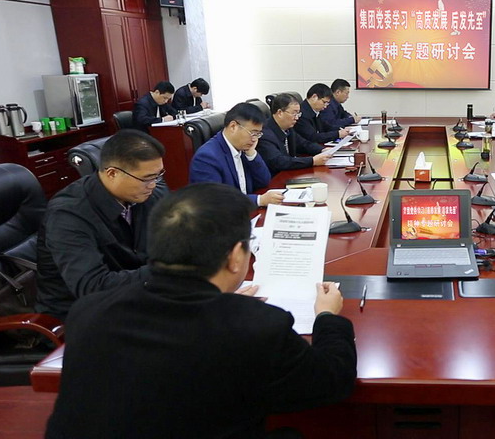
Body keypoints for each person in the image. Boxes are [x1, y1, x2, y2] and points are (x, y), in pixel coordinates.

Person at [44, 183, 357, 439]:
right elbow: (332, 381)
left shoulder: (89, 311)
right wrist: (327, 317)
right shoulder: (257, 326)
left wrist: (224, 303)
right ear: (236, 257)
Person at [35, 130, 168, 320]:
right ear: (112, 173)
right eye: (147, 178)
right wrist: (166, 272)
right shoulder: (68, 214)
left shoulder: (144, 194)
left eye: (158, 175)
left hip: (130, 296)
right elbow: (92, 286)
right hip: (82, 314)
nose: (154, 184)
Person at [189, 103, 283, 207]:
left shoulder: (243, 147)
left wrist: (251, 154)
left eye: (258, 134)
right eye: (252, 133)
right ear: (233, 126)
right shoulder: (206, 158)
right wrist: (259, 200)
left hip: (246, 210)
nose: (254, 139)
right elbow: (214, 200)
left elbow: (264, 181)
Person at [258, 93, 332, 177]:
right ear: (280, 113)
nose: (297, 118)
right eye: (294, 113)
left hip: (288, 174)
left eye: (298, 114)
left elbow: (303, 144)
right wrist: (312, 161)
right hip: (275, 179)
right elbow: (279, 161)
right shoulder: (265, 134)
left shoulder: (288, 128)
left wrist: (322, 150)